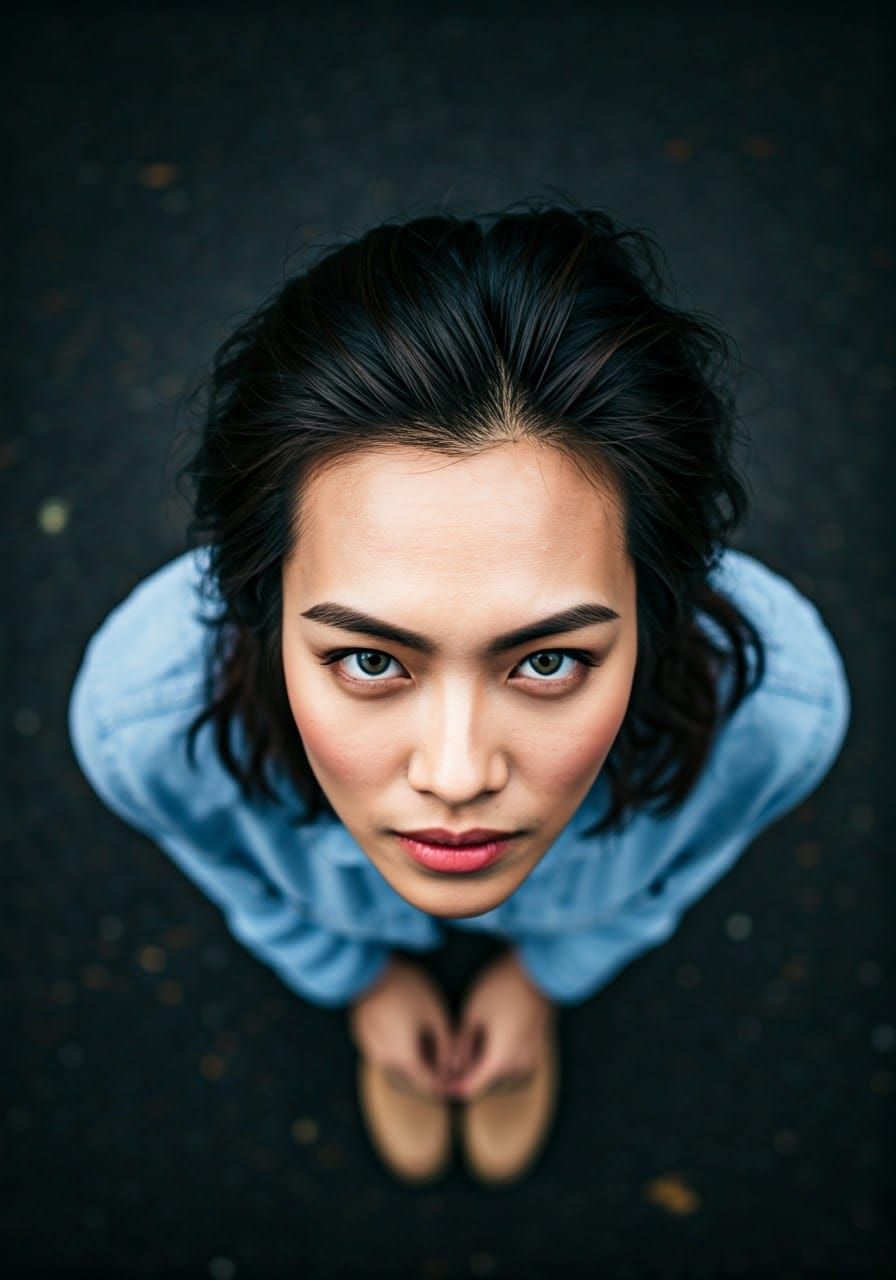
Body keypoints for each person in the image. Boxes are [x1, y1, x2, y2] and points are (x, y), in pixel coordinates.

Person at [67, 200, 851, 1187]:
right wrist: (354, 978)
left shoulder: (777, 715)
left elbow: (676, 867)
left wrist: (545, 977)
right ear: (255, 597)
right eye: (369, 659)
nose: (456, 774)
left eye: (546, 660)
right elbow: (230, 866)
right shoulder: (143, 725)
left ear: (662, 600)